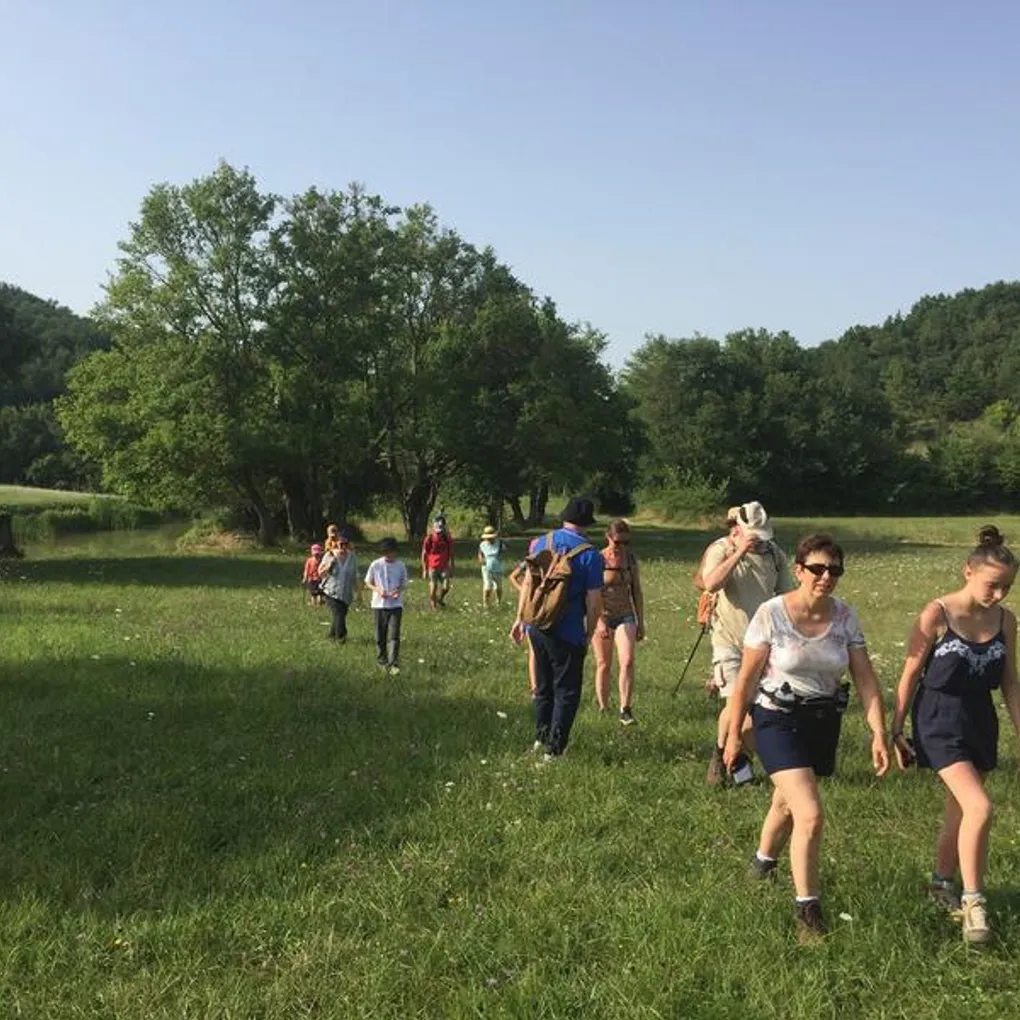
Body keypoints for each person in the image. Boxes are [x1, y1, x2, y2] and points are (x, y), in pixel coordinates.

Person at [723, 533, 889, 942]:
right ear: (798, 570)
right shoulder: (771, 614)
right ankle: (808, 912)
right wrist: (733, 736)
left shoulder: (845, 617)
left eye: (834, 570)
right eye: (817, 568)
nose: (826, 576)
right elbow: (745, 681)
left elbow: (865, 679)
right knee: (810, 813)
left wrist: (879, 733)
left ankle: (762, 863)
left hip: (822, 721)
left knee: (786, 800)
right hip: (776, 719)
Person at [890, 525, 1020, 945]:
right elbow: (910, 673)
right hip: (938, 717)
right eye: (991, 585)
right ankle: (974, 903)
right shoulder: (937, 614)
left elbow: (1010, 681)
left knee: (960, 810)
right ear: (968, 571)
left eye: (1006, 587)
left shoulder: (1006, 621)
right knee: (980, 807)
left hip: (980, 719)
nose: (998, 594)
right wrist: (895, 729)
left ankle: (941, 883)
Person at [701, 502, 794, 787]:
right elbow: (711, 583)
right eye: (754, 535)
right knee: (736, 704)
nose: (759, 541)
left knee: (753, 712)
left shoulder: (774, 554)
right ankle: (733, 768)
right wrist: (739, 552)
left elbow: (788, 596)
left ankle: (729, 758)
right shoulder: (722, 549)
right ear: (738, 529)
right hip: (728, 640)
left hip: (763, 644)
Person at [510, 497, 604, 762]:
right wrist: (588, 633)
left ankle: (541, 738)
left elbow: (528, 583)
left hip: (537, 626)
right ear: (586, 523)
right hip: (568, 631)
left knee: (543, 686)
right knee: (567, 691)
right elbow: (594, 602)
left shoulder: (542, 543)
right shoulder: (590, 555)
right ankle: (555, 750)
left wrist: (520, 619)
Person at [592, 519, 645, 725]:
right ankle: (603, 707)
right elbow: (592, 593)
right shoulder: (598, 559)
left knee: (628, 660)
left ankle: (625, 709)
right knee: (604, 664)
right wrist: (599, 621)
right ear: (608, 537)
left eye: (626, 542)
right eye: (618, 542)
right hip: (603, 614)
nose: (621, 546)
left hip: (626, 615)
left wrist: (640, 621)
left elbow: (637, 591)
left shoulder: (630, 559)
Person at [365, 537, 408, 675]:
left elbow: (404, 583)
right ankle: (382, 661)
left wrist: (398, 591)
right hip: (379, 605)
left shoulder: (400, 565)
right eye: (386, 552)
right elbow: (368, 582)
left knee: (394, 635)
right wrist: (378, 590)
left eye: (391, 552)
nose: (388, 555)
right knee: (380, 634)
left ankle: (393, 663)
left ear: (395, 551)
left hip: (396, 605)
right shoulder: (375, 564)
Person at [318, 533, 358, 643]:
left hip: (346, 593)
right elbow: (320, 573)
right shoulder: (330, 555)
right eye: (341, 544)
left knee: (340, 615)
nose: (343, 546)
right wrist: (329, 565)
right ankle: (341, 638)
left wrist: (358, 593)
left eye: (346, 544)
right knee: (339, 614)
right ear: (336, 543)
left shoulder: (352, 557)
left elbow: (355, 575)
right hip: (331, 592)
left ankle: (331, 635)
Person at [422, 516, 455, 609]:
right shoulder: (429, 538)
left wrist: (452, 567)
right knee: (433, 589)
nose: (439, 533)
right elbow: (424, 554)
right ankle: (434, 607)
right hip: (432, 567)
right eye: (437, 531)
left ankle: (440, 599)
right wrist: (424, 569)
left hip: (444, 566)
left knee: (446, 587)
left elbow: (451, 553)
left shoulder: (447, 538)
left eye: (441, 530)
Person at [477, 525, 507, 608]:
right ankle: (486, 604)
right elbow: (480, 553)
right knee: (487, 587)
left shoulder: (499, 543)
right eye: (488, 538)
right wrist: (481, 559)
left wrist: (501, 547)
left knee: (498, 587)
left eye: (491, 538)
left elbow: (504, 550)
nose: (489, 539)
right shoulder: (482, 544)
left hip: (497, 567)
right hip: (486, 568)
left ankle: (498, 602)